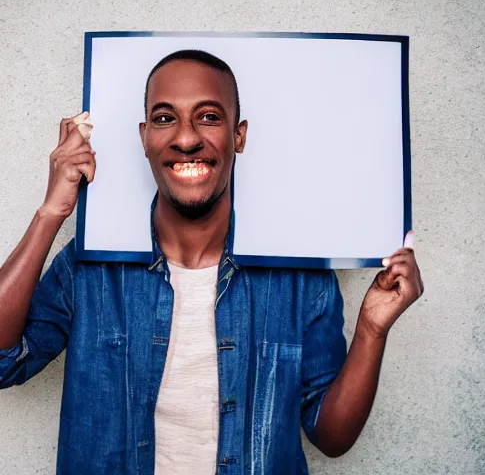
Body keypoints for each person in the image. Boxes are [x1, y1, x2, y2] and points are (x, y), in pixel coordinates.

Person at [0, 50, 423, 475]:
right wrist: (51, 213)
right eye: (165, 118)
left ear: (238, 136)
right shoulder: (89, 268)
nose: (186, 138)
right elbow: (3, 362)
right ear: (145, 137)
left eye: (208, 117)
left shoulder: (302, 278)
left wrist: (372, 328)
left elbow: (331, 438)